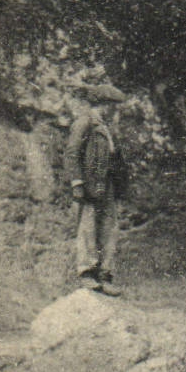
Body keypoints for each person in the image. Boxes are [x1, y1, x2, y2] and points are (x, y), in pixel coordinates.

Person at [63, 84, 129, 296]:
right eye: (112, 105)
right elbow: (72, 153)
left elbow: (115, 157)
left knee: (109, 228)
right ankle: (87, 273)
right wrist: (77, 183)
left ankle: (105, 275)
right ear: (103, 105)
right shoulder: (85, 123)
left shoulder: (107, 128)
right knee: (88, 227)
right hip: (91, 183)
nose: (115, 110)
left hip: (107, 183)